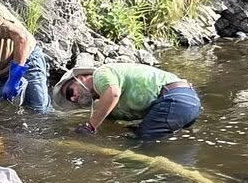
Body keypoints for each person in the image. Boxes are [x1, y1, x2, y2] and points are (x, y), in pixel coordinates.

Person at [57, 59, 201, 143]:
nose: (74, 99)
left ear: (81, 78)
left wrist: (89, 126)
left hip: (175, 99)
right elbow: (109, 120)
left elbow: (113, 93)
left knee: (137, 146)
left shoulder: (100, 74)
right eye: (71, 99)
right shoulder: (104, 104)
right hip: (187, 103)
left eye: (70, 92)